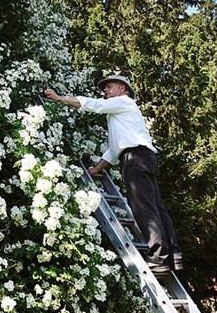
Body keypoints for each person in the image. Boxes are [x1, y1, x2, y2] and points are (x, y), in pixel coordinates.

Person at [43, 75, 183, 275]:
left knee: (143, 207)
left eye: (109, 87)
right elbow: (113, 149)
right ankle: (173, 254)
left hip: (135, 159)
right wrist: (96, 169)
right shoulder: (120, 114)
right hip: (146, 157)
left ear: (122, 88)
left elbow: (94, 104)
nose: (105, 90)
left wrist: (59, 98)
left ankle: (158, 257)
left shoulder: (123, 102)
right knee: (157, 207)